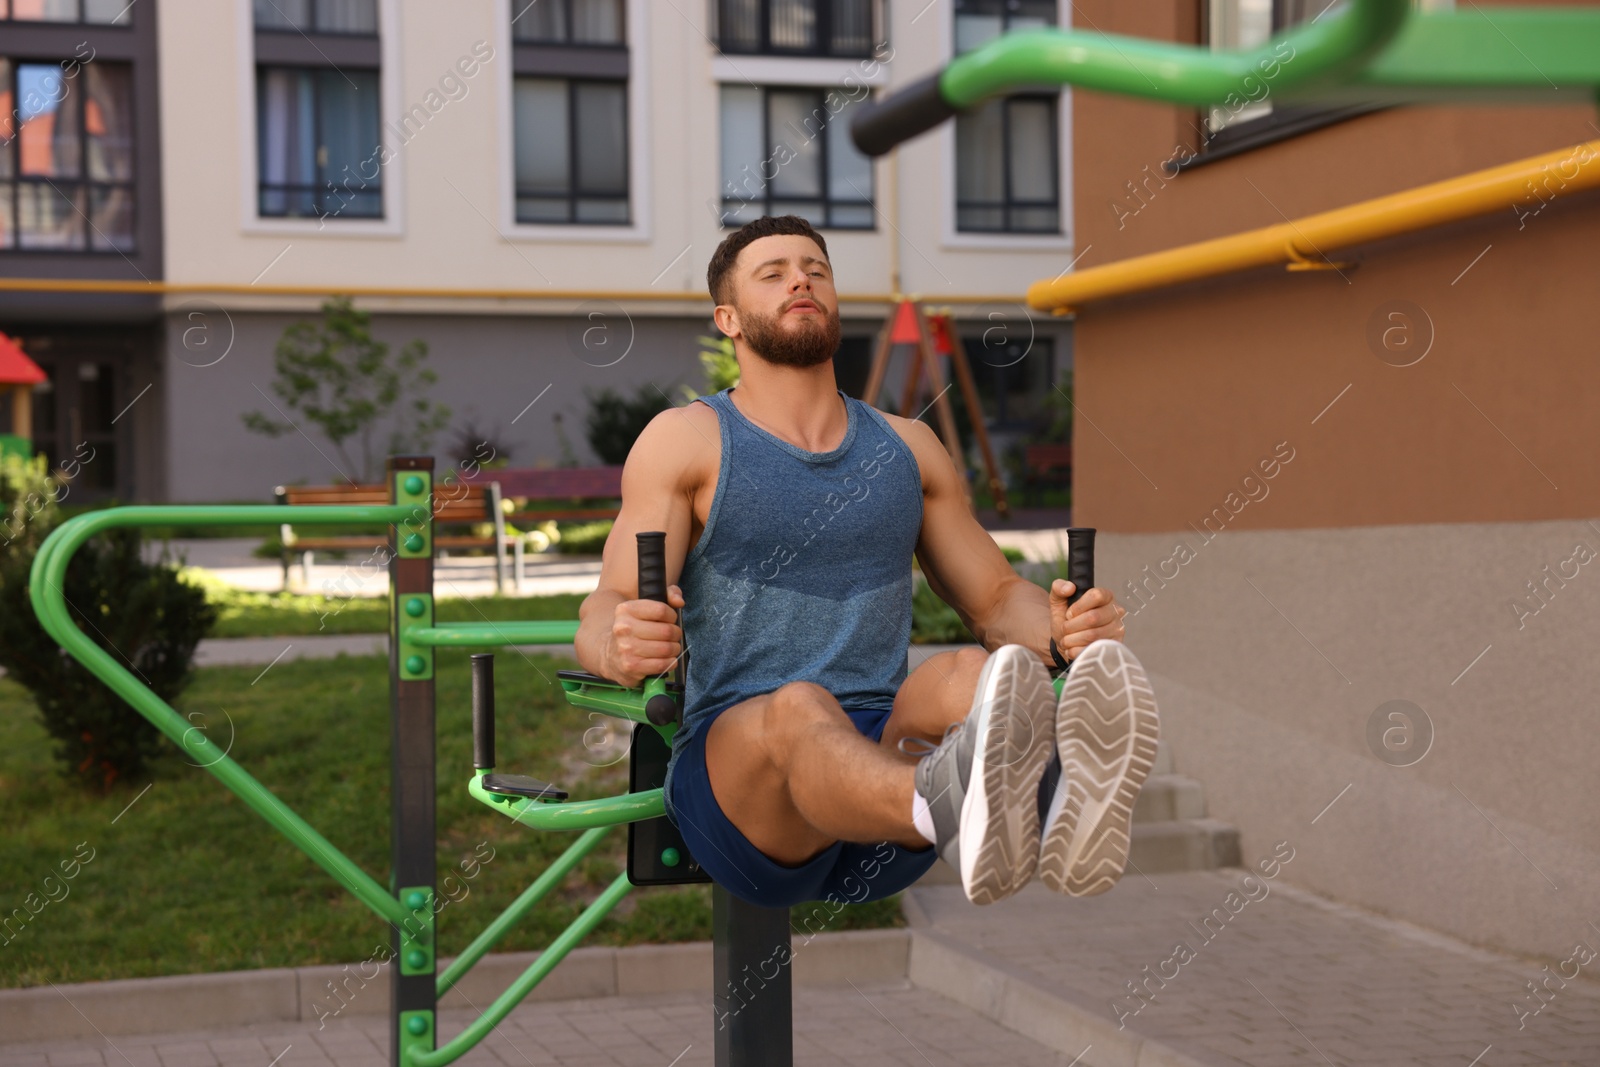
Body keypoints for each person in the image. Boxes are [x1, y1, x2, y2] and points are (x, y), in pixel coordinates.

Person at [575, 215, 1159, 908]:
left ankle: (1058, 800)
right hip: (743, 796)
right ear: (728, 319)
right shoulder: (687, 441)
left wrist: (1061, 631)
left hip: (879, 782)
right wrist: (618, 643)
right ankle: (964, 801)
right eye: (774, 273)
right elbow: (603, 607)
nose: (801, 279)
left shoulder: (908, 446)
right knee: (799, 706)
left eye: (815, 270)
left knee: (970, 672)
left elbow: (997, 597)